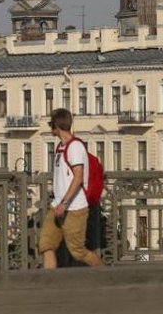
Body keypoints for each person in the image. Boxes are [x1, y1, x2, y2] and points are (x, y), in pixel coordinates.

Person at [38, 108, 104, 268]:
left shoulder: (75, 147)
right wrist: (59, 204)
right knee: (46, 244)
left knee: (78, 251)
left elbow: (78, 177)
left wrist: (65, 203)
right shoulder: (61, 146)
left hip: (74, 208)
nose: (50, 128)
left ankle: (105, 275)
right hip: (58, 206)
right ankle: (50, 285)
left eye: (50, 124)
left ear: (56, 126)